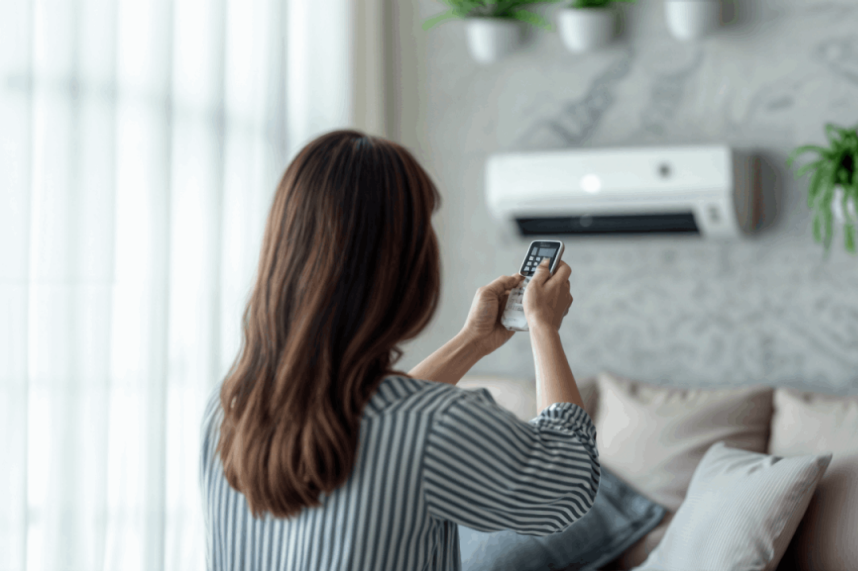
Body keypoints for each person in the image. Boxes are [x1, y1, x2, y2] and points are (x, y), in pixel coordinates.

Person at [200, 130, 600, 571]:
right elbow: (568, 486)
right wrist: (544, 326)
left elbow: (377, 420)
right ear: (405, 267)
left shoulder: (228, 410)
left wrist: (472, 341)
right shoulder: (438, 422)